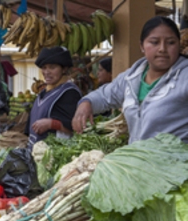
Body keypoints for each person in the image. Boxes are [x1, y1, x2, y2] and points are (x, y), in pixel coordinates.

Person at [72, 16, 188, 144]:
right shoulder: (132, 77)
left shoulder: (184, 77)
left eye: (171, 42)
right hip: (137, 160)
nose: (162, 49)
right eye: (154, 42)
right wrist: (86, 104)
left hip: (175, 161)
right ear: (142, 46)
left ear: (178, 45)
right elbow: (104, 96)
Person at [26, 46, 82, 150]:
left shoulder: (69, 93)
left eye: (52, 67)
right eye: (44, 67)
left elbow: (76, 128)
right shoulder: (44, 92)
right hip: (35, 153)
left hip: (56, 155)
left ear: (64, 69)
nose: (46, 72)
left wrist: (51, 124)